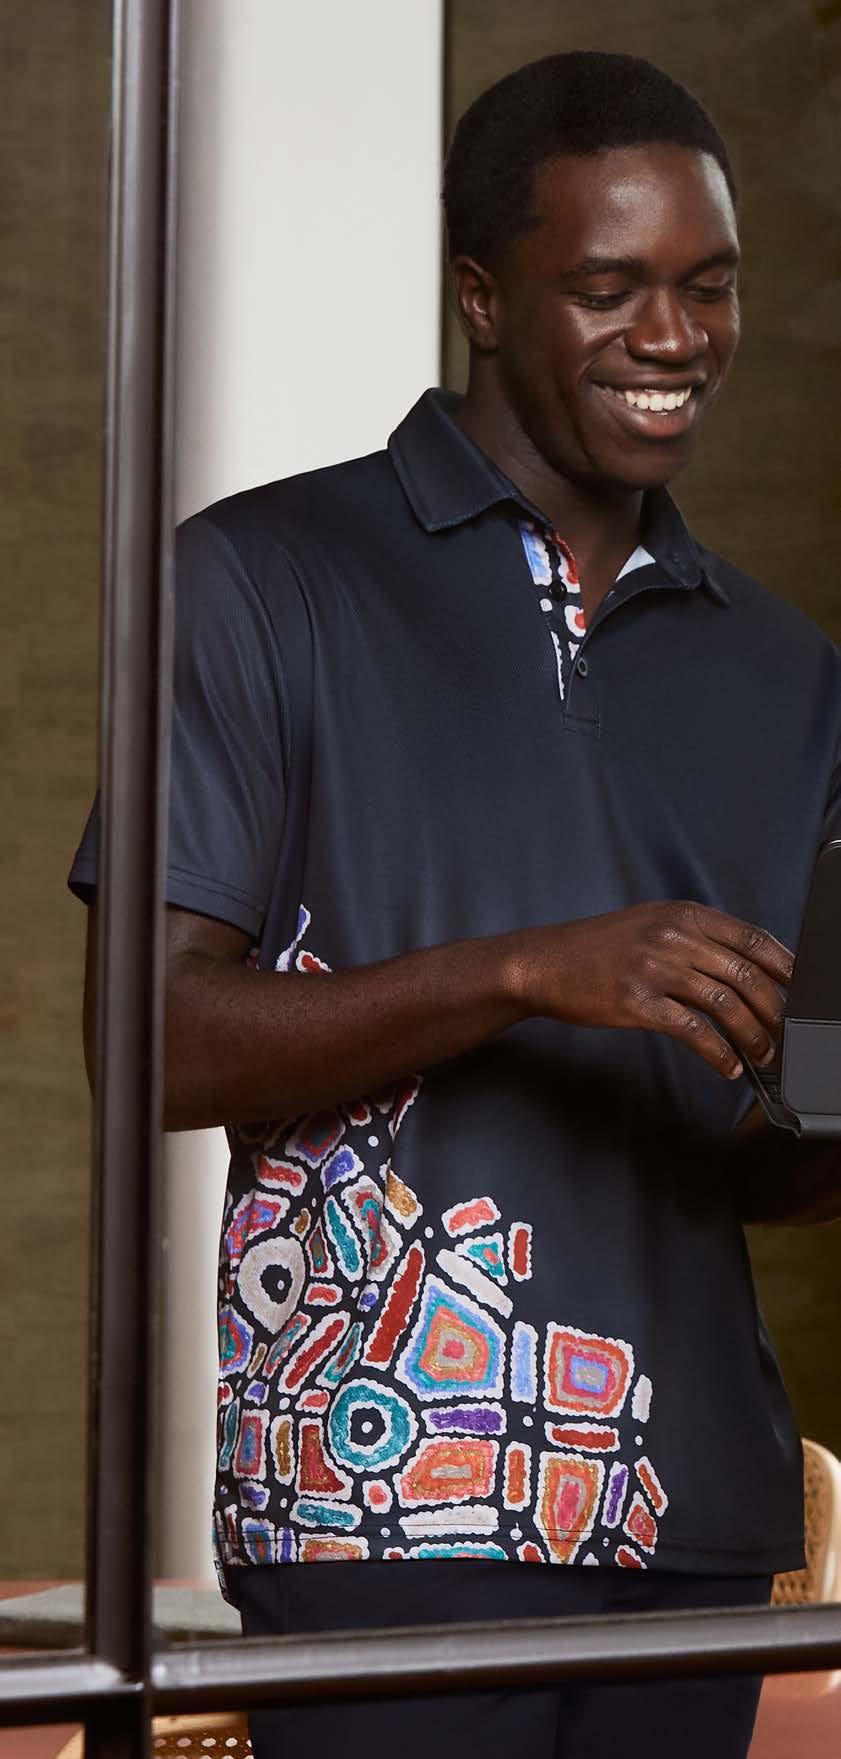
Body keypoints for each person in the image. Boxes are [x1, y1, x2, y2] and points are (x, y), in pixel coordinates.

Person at [71, 48, 841, 1759]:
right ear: (481, 298)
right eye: (610, 289)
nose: (673, 337)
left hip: (695, 1517)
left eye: (709, 286)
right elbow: (148, 1045)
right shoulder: (260, 580)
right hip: (381, 1507)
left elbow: (775, 1158)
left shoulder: (793, 676)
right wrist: (525, 972)